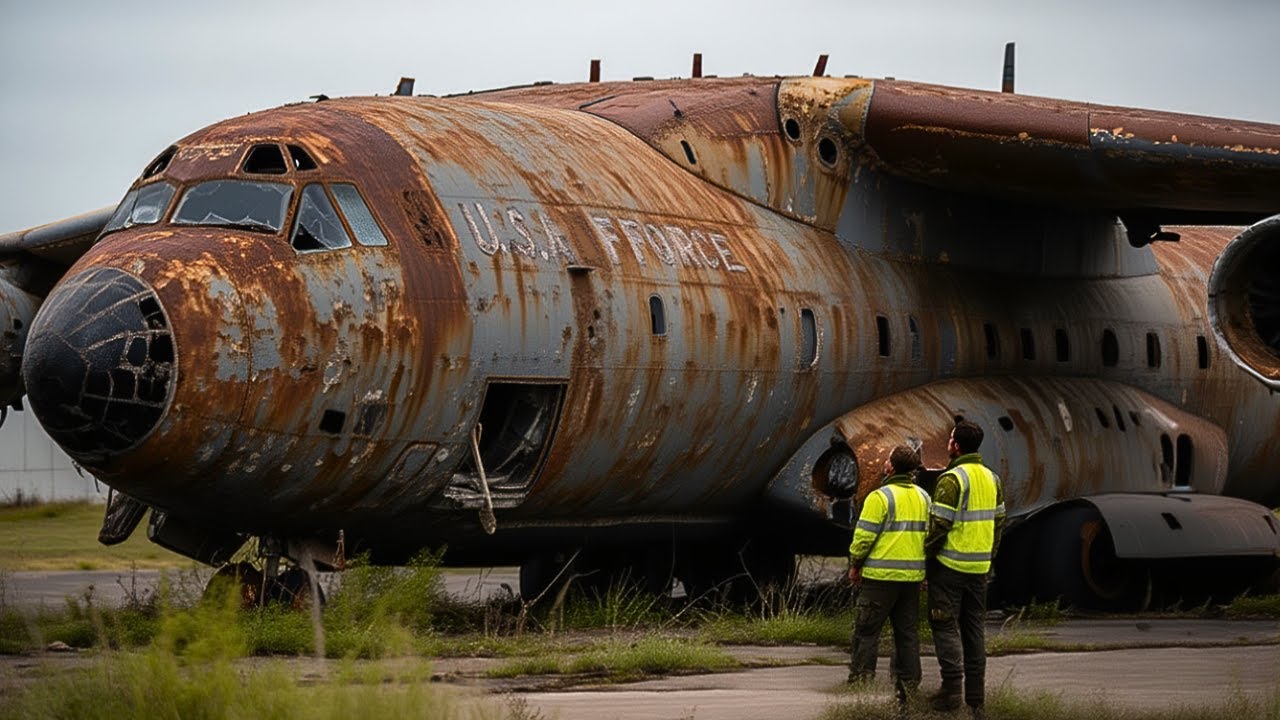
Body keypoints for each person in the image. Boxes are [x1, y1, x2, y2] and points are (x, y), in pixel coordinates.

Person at [925, 420, 1006, 717]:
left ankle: (951, 691)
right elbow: (999, 522)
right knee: (974, 632)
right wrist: (989, 556)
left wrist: (926, 559)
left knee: (944, 625)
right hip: (979, 569)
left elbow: (938, 528)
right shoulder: (992, 479)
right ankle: (976, 702)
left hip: (950, 568)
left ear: (956, 446)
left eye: (949, 440)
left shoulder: (952, 480)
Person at [847, 444, 931, 707]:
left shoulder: (880, 498)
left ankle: (861, 683)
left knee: (866, 630)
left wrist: (855, 564)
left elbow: (863, 538)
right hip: (911, 580)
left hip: (880, 579)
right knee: (907, 634)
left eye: (887, 459)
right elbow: (929, 538)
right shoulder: (924, 498)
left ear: (891, 467)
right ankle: (907, 685)